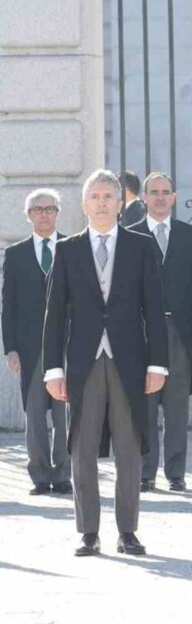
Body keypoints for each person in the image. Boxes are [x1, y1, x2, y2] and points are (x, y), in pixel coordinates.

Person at [42, 169, 169, 557]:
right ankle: (88, 531)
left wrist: (158, 365)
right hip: (83, 363)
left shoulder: (141, 246)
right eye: (94, 196)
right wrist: (53, 369)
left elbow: (154, 309)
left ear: (121, 204)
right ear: (84, 205)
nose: (101, 203)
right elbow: (54, 313)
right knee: (81, 447)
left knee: (129, 447)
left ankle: (127, 531)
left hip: (129, 362)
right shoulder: (67, 250)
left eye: (108, 196)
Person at [127, 173, 192, 493]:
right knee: (146, 404)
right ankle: (146, 472)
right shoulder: (131, 235)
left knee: (177, 406)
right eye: (154, 192)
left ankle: (176, 472)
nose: (160, 197)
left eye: (166, 192)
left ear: (174, 197)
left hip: (180, 332)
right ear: (144, 198)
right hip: (143, 333)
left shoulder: (189, 235)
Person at [3, 189, 71, 496]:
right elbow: (9, 304)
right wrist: (11, 348)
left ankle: (64, 474)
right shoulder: (15, 254)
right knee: (35, 415)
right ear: (28, 215)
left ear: (58, 213)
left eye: (50, 208)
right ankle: (40, 476)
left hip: (68, 345)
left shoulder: (72, 248)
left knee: (65, 413)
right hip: (30, 347)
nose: (44, 214)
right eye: (38, 209)